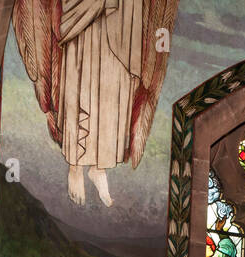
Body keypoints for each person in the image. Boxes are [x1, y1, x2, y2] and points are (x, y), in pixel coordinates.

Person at [13, 0, 179, 207]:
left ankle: (99, 167)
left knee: (116, 86)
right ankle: (75, 165)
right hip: (82, 20)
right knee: (83, 82)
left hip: (124, 17)